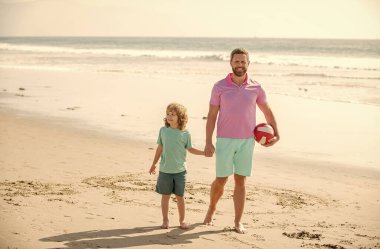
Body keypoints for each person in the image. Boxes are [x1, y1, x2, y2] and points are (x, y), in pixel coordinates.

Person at [203, 48, 280, 234]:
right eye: (236, 62)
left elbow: (267, 112)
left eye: (243, 62)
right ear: (231, 63)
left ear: (248, 63)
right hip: (224, 140)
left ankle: (238, 222)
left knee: (240, 181)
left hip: (247, 141)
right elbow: (212, 115)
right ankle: (211, 210)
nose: (240, 65)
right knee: (221, 180)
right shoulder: (219, 86)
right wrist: (208, 141)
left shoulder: (256, 87)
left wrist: (277, 134)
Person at [149, 102, 205, 230]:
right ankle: (165, 220)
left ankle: (182, 220)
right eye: (168, 114)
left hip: (180, 171)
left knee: (180, 197)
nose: (169, 116)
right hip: (165, 170)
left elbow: (190, 149)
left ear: (181, 117)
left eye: (173, 114)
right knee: (165, 196)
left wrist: (203, 153)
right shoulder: (163, 130)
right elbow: (160, 148)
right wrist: (154, 164)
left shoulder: (185, 133)